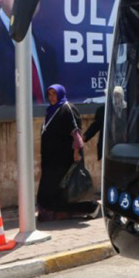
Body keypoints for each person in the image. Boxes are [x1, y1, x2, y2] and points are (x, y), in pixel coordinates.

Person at [37, 85, 99, 221]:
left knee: (69, 188)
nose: (51, 97)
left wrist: (76, 153)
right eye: (50, 94)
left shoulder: (67, 108)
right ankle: (52, 213)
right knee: (51, 187)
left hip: (65, 158)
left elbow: (76, 134)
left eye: (54, 94)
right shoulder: (51, 111)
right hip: (51, 159)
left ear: (60, 94)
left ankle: (89, 208)